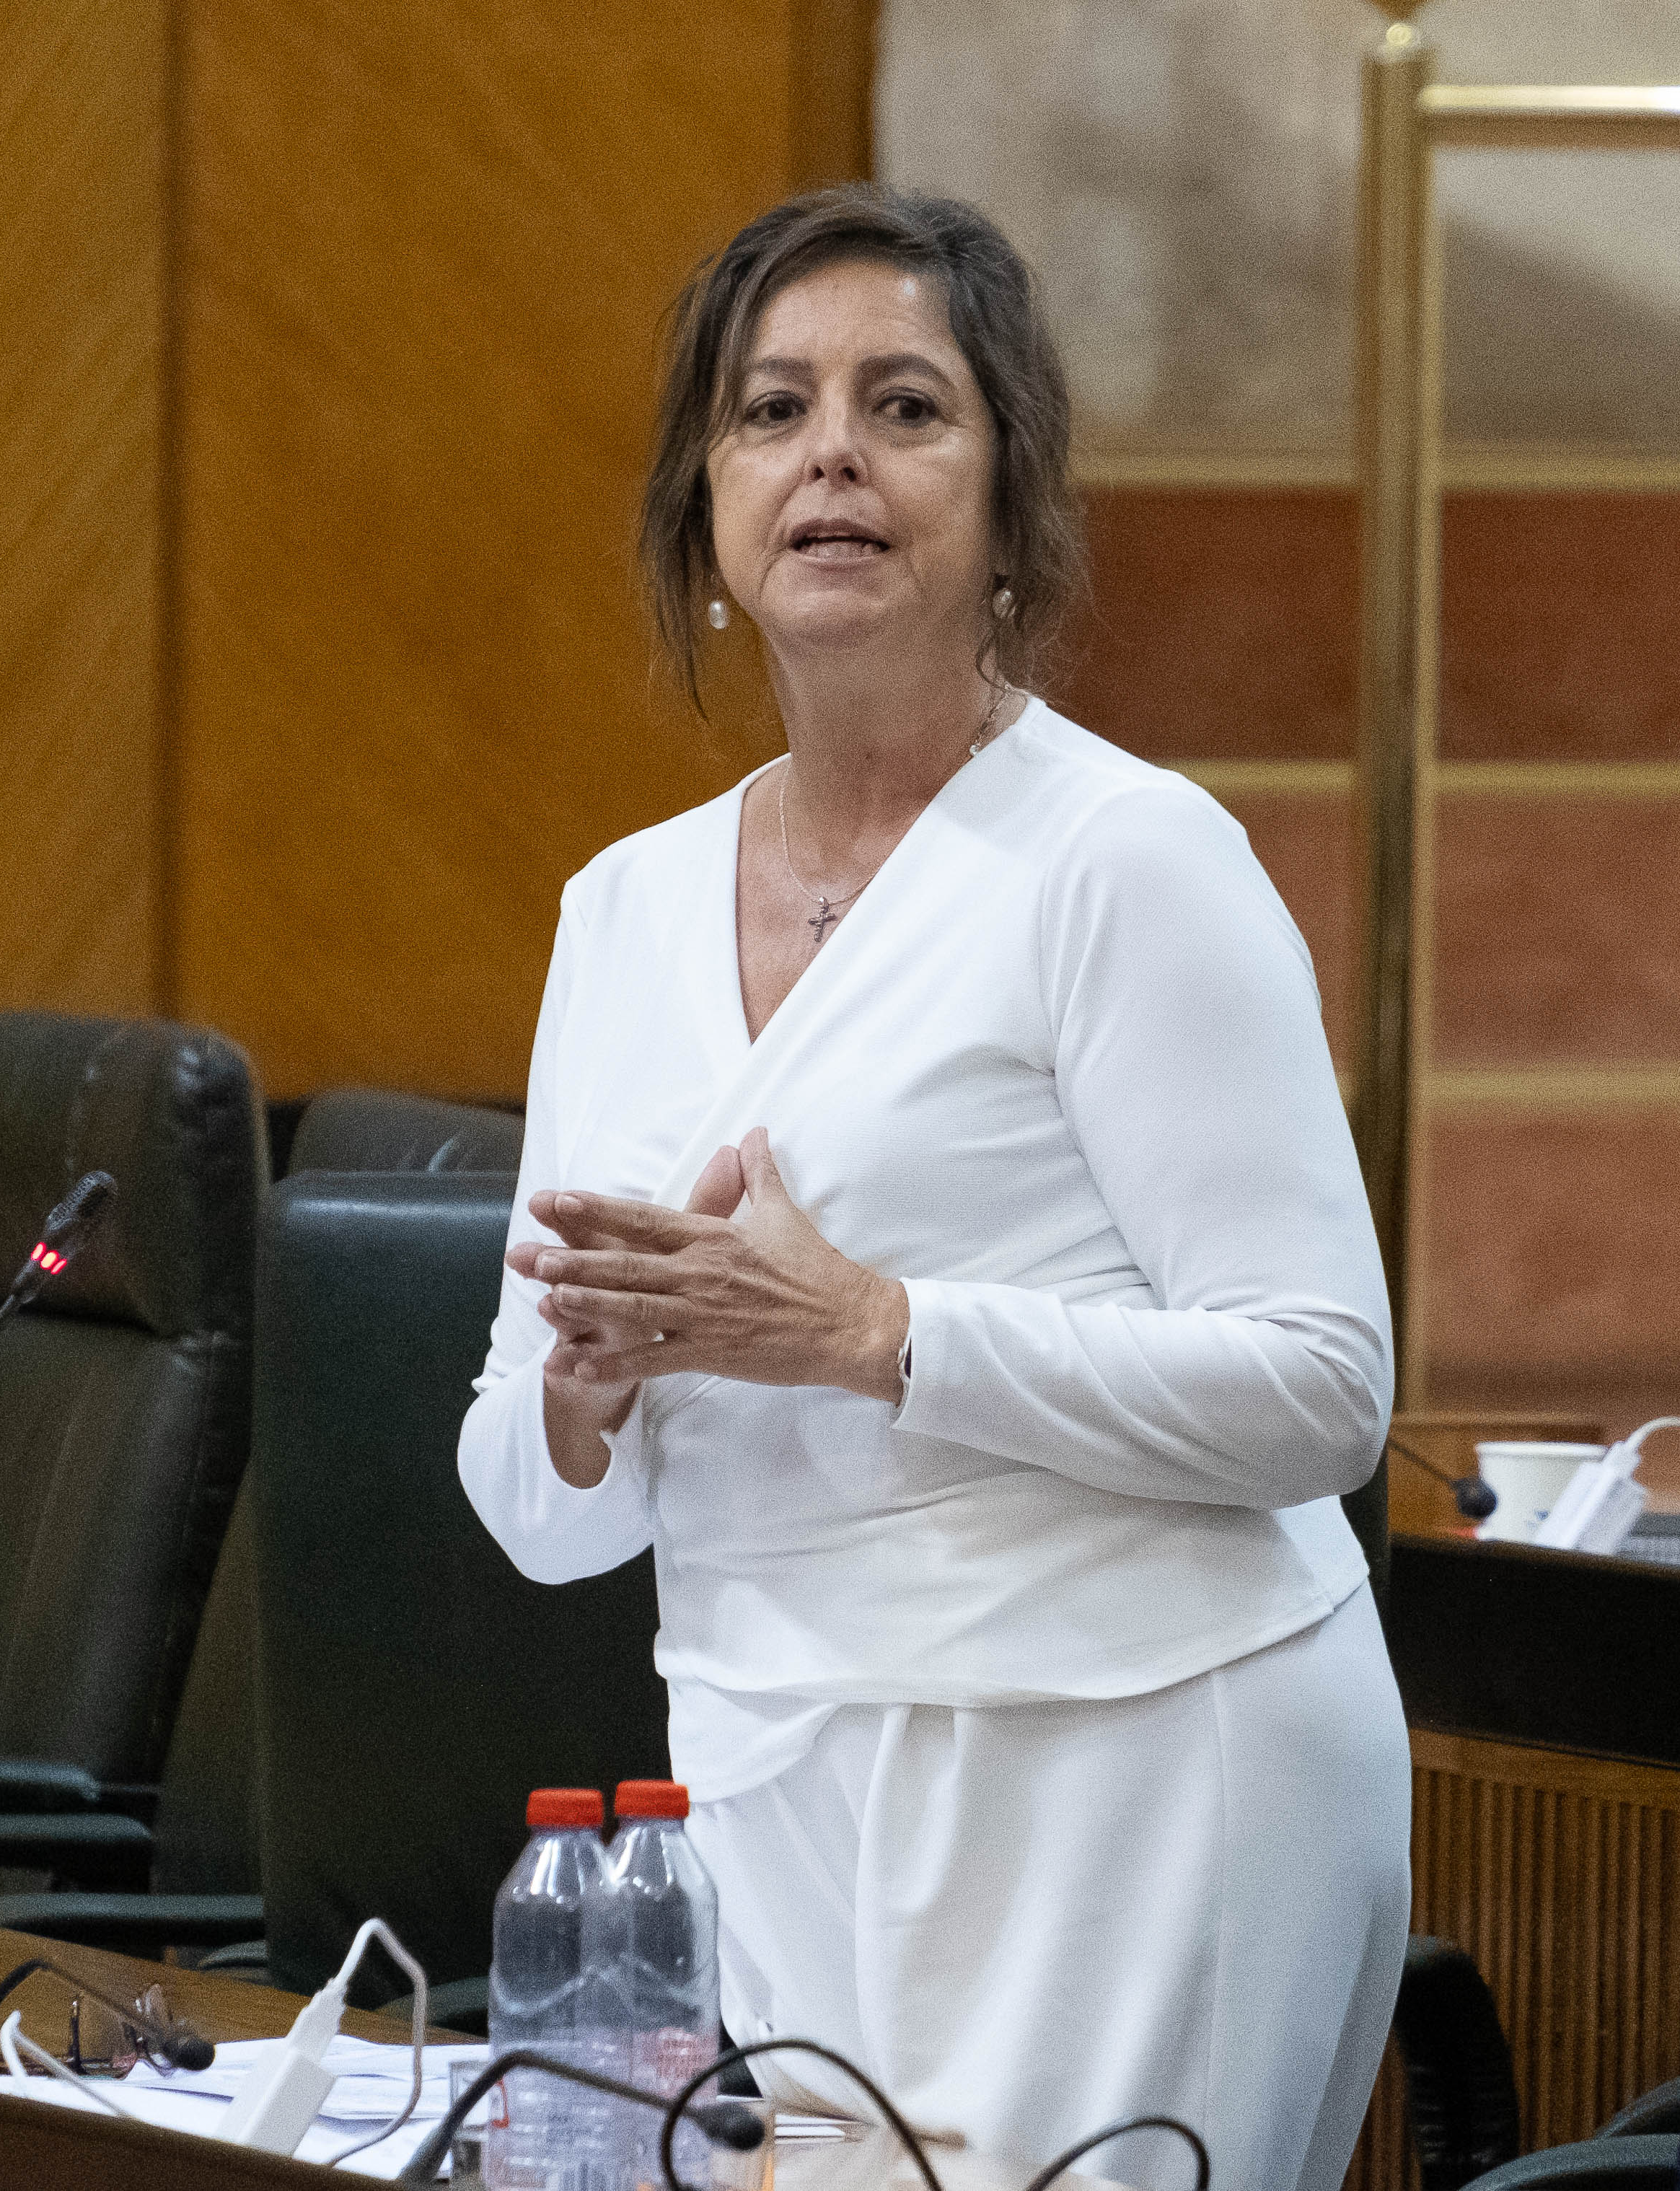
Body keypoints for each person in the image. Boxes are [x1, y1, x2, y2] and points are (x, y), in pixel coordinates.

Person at [454, 185, 1409, 2191]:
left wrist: (872, 1333)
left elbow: (1322, 1390)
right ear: (704, 510)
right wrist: (584, 1387)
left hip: (1140, 1752)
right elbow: (535, 1507)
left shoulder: (1124, 861)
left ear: (1006, 508)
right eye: (768, 409)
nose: (829, 456)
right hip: (771, 1766)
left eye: (903, 407)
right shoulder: (616, 911)